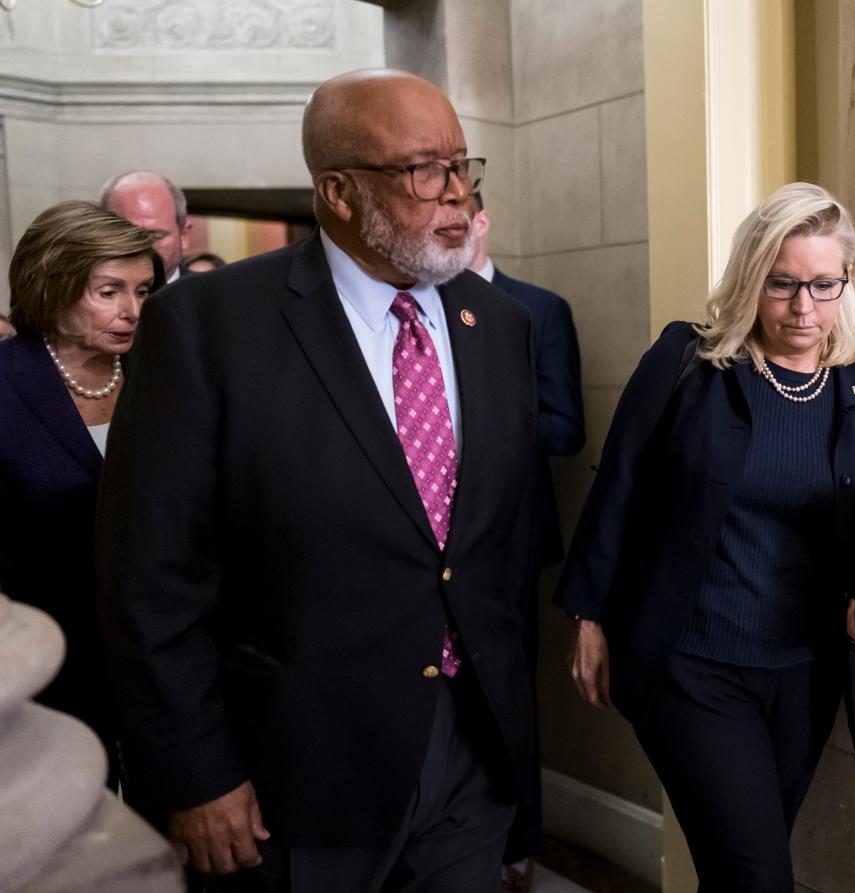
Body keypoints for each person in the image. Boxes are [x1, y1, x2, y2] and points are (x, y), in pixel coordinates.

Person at [96, 69, 540, 892]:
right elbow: (151, 579)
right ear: (338, 191)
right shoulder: (207, 327)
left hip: (469, 757)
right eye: (423, 171)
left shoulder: (500, 326)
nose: (454, 195)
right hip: (294, 779)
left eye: (460, 166)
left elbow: (498, 546)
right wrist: (195, 774)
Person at [555, 182, 855, 891]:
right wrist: (588, 615)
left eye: (822, 284)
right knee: (758, 879)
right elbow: (618, 483)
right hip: (692, 666)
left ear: (848, 283)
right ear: (753, 277)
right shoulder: (688, 364)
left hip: (805, 672)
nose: (802, 307)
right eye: (782, 284)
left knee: (739, 867)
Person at [0, 201, 162, 788]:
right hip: (49, 671)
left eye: (143, 291)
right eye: (109, 291)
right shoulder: (5, 380)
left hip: (161, 662)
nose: (133, 311)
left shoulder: (164, 371)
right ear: (52, 283)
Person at [464, 190, 585, 891]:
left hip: (508, 541)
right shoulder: (404, 310)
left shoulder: (540, 309)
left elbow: (567, 427)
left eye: (462, 218)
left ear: (484, 221)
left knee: (508, 696)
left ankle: (515, 848)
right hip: (421, 543)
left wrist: (473, 429)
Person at [100, 170, 193, 284]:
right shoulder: (80, 297)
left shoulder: (213, 298)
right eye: (128, 237)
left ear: (184, 235)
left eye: (156, 237)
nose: (143, 248)